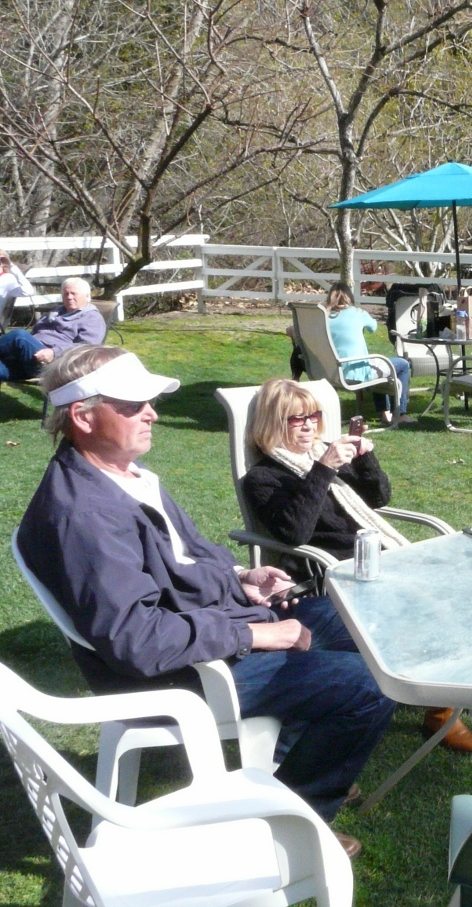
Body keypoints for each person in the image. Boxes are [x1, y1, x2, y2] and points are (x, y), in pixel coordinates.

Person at [18, 346, 397, 857]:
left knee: (360, 624)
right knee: (367, 684)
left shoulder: (124, 476)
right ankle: (297, 816)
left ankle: (310, 756)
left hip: (213, 629)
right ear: (83, 417)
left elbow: (186, 561)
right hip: (182, 674)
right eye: (132, 404)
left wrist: (241, 577)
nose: (151, 412)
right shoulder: (83, 515)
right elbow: (137, 641)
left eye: (148, 401)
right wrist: (256, 633)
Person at [241, 377, 472, 753]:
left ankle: (459, 693)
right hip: (333, 570)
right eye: (295, 419)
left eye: (313, 416)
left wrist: (364, 457)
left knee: (459, 587)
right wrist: (323, 468)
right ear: (272, 423)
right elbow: (295, 532)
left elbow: (379, 497)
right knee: (425, 601)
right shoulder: (263, 478)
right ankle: (441, 708)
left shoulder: (321, 454)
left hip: (375, 554)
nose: (308, 425)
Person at [325, 281, 411, 427]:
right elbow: (373, 327)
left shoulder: (323, 318)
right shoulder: (358, 313)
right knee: (402, 365)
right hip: (356, 372)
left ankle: (385, 412)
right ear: (350, 297)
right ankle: (400, 413)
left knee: (379, 365)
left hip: (330, 372)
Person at [0, 276, 105, 381]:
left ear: (86, 296)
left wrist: (54, 352)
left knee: (20, 336)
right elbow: (35, 332)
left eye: (74, 293)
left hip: (53, 364)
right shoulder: (56, 312)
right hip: (28, 358)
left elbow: (86, 347)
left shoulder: (92, 318)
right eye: (66, 293)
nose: (69, 297)